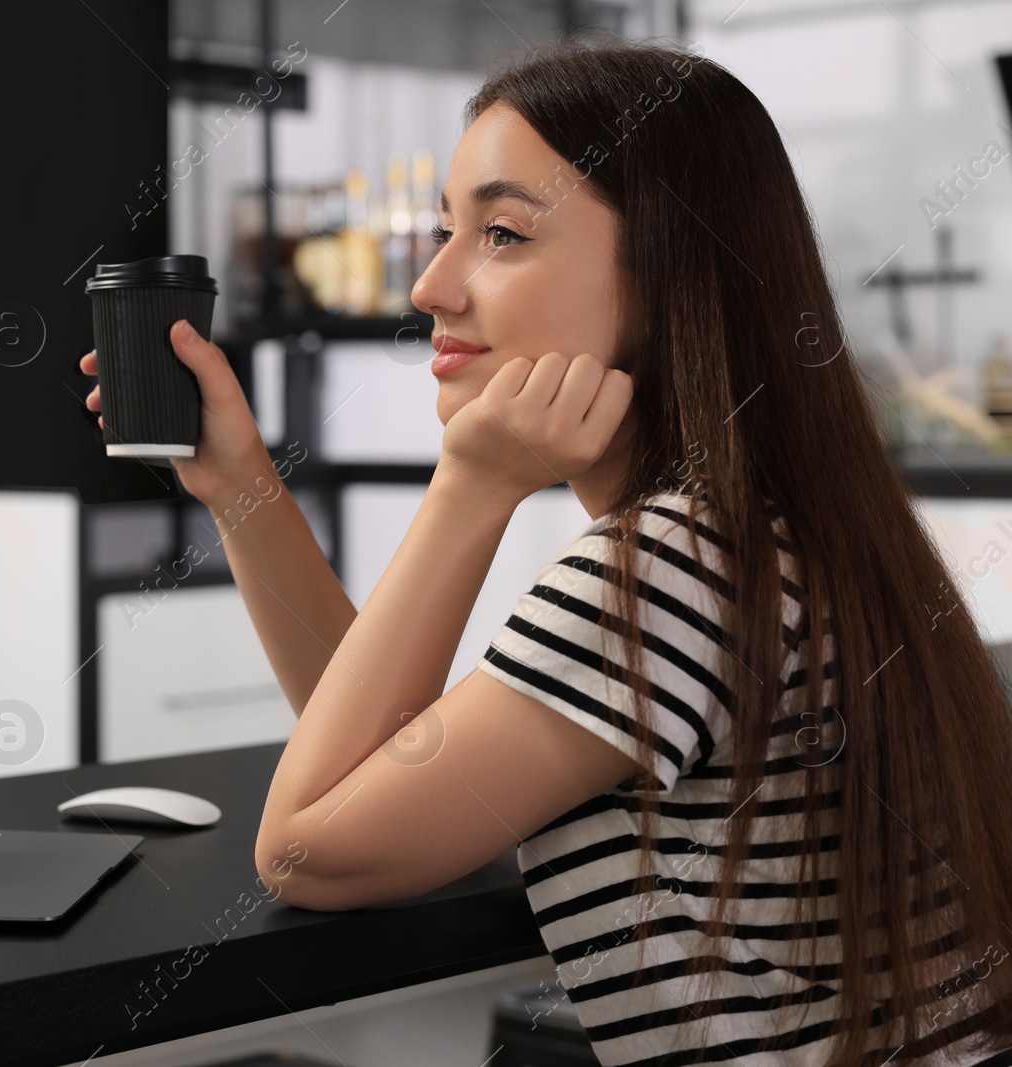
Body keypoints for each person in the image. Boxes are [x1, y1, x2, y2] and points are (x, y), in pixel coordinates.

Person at [78, 39, 1012, 1066]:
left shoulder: (674, 562)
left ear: (670, 271)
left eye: (503, 234)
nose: (432, 284)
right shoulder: (765, 525)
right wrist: (241, 485)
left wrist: (470, 488)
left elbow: (307, 850)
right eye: (445, 231)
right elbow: (393, 759)